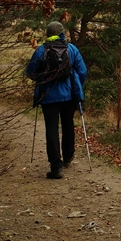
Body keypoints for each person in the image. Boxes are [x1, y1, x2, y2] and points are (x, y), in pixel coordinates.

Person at [26, 21, 88, 179]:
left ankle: (56, 167)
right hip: (69, 96)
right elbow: (82, 71)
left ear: (48, 33)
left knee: (51, 129)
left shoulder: (41, 51)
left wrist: (43, 78)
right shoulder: (71, 49)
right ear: (62, 33)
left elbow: (31, 72)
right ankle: (68, 157)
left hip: (48, 96)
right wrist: (76, 87)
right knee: (68, 124)